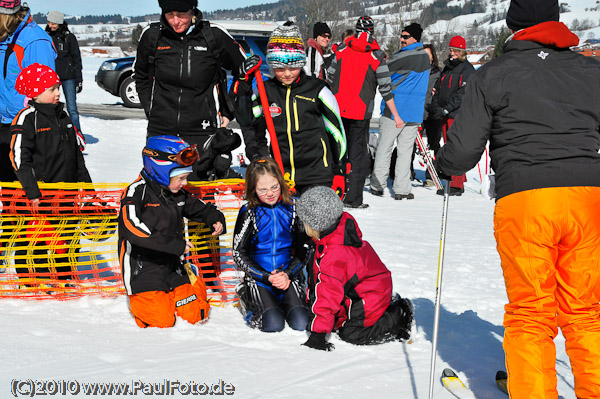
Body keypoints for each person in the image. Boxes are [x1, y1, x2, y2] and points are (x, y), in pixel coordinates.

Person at [435, 0, 600, 397]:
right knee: (586, 310)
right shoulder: (590, 70)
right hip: (588, 197)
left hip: (526, 197)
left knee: (531, 311)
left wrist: (442, 162)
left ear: (513, 25)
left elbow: (461, 154)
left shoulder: (495, 73)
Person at [118, 135, 226, 328]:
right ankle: (155, 302)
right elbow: (132, 229)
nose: (185, 183)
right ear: (160, 170)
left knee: (196, 315)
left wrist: (215, 219)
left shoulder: (177, 194)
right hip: (144, 272)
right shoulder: (135, 193)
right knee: (163, 321)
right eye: (181, 178)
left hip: (173, 268)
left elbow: (201, 209)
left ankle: (188, 279)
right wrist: (175, 245)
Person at [133, 0, 246, 180]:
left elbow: (244, 71)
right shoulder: (152, 36)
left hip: (202, 131)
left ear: (192, 10)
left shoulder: (212, 35)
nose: (176, 21)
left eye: (181, 15)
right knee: (161, 189)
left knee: (198, 194)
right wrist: (151, 108)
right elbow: (140, 76)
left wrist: (227, 111)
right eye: (170, 15)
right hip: (161, 129)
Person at [235, 22, 346, 196]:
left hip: (318, 174)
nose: (287, 73)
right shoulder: (265, 91)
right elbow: (247, 121)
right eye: (280, 68)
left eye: (293, 67)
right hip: (281, 175)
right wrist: (244, 83)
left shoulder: (318, 90)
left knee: (315, 222)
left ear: (301, 63)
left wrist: (340, 171)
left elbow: (337, 133)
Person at [296, 186, 413, 350]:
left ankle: (398, 315)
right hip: (367, 288)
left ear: (316, 224)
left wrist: (318, 333)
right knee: (338, 321)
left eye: (304, 221)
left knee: (351, 333)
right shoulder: (337, 230)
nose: (301, 224)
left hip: (370, 295)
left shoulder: (334, 254)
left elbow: (328, 294)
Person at [10, 63, 90, 281]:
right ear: (35, 93)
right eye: (51, 89)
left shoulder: (63, 116)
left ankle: (65, 277)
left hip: (68, 194)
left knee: (68, 237)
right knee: (36, 239)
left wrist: (87, 188)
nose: (58, 92)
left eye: (57, 87)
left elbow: (77, 156)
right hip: (40, 196)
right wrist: (32, 191)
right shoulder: (27, 118)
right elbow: (19, 158)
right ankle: (32, 279)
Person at [327, 16, 402, 208]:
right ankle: (353, 199)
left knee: (336, 153)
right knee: (358, 156)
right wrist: (396, 115)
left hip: (337, 109)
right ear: (372, 32)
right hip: (361, 113)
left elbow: (329, 78)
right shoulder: (377, 56)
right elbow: (386, 89)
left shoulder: (341, 50)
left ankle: (333, 194)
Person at [232, 157, 311, 332]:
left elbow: (304, 247)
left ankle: (283, 301)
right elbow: (238, 252)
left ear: (281, 183)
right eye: (263, 189)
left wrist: (288, 274)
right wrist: (266, 277)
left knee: (301, 322)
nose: (270, 193)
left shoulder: (294, 207)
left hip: (287, 275)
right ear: (253, 189)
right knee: (273, 324)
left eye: (274, 187)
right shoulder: (249, 212)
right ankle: (247, 296)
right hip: (260, 278)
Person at [369, 23, 430, 200]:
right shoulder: (425, 57)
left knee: (384, 148)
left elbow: (382, 73)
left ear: (415, 38)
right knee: (405, 151)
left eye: (405, 36)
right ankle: (402, 188)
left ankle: (377, 185)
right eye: (401, 36)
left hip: (394, 110)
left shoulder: (404, 56)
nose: (402, 39)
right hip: (414, 112)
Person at [0, 0, 55, 183]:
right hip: (3, 123)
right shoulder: (4, 36)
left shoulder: (34, 41)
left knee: (22, 195)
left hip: (23, 128)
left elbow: (47, 92)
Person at [428, 35, 475, 196]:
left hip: (457, 114)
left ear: (462, 51)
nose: (452, 53)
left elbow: (462, 94)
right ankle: (456, 177)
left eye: (455, 50)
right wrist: (436, 107)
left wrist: (447, 109)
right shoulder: (448, 68)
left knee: (456, 147)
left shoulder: (467, 70)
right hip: (444, 113)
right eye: (451, 50)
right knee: (449, 146)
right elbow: (439, 88)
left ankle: (457, 183)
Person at [45, 10, 83, 133]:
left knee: (72, 109)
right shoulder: (46, 37)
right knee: (49, 107)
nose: (50, 25)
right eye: (49, 22)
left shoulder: (69, 38)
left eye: (53, 23)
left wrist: (79, 79)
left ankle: (77, 135)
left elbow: (77, 58)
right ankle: (51, 134)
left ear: (59, 23)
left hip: (68, 78)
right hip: (51, 78)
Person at [420, 43, 442, 187]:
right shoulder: (417, 72)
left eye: (428, 55)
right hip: (418, 112)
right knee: (413, 144)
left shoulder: (439, 72)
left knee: (433, 144)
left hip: (433, 112)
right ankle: (406, 172)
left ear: (433, 57)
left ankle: (432, 173)